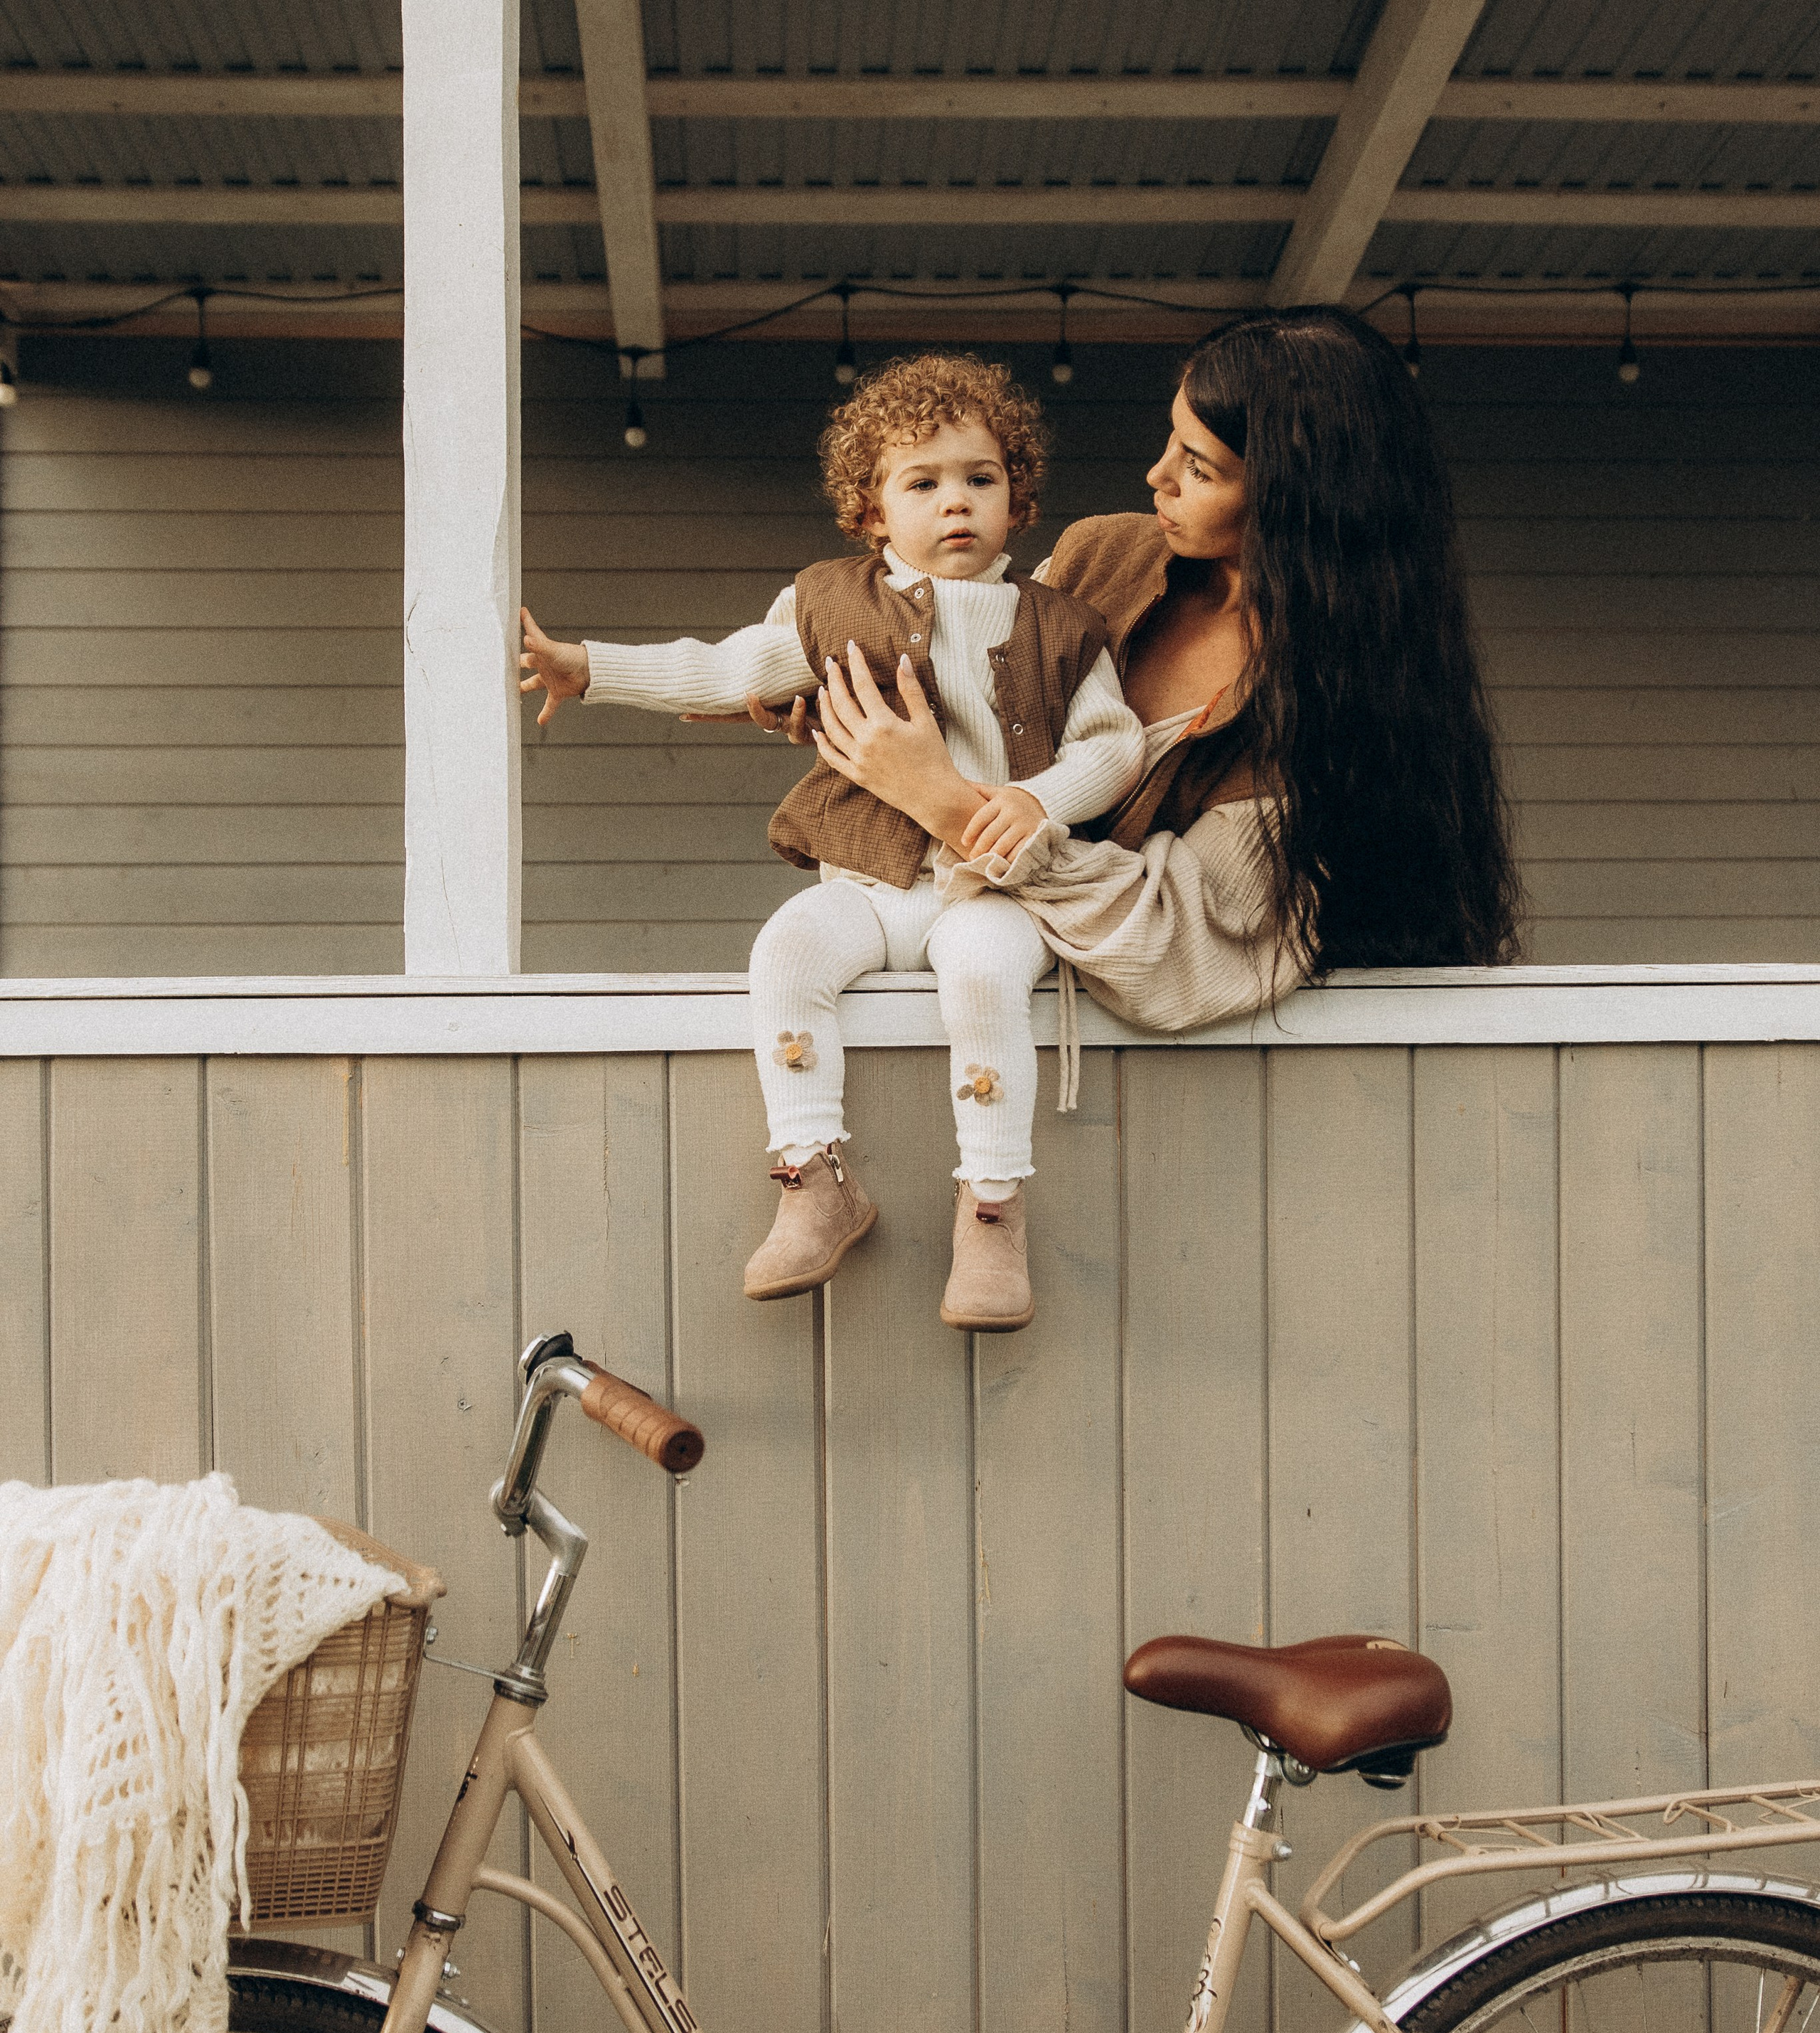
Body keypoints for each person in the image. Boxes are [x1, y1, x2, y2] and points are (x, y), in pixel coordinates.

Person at [518, 353, 1145, 1333]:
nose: (956, 502)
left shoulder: (1063, 626)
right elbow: (723, 669)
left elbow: (1114, 744)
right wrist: (589, 668)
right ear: (870, 510)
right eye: (921, 483)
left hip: (990, 890)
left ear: (1017, 497)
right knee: (786, 952)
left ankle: (992, 1209)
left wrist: (1042, 800)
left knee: (985, 978)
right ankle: (814, 1180)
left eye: (980, 479)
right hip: (866, 880)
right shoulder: (831, 605)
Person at [793, 305, 1524, 1024]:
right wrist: (839, 699)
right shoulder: (1098, 560)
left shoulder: (1328, 725)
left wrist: (947, 804)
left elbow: (1171, 944)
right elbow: (951, 661)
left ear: (1297, 500)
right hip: (941, 988)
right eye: (1172, 440)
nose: (1157, 475)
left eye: (1198, 468)